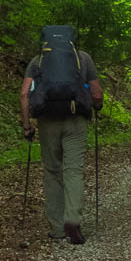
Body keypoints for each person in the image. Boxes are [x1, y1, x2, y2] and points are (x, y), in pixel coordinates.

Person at [20, 25, 103, 245]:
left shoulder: (37, 61)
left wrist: (27, 125)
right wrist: (98, 107)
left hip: (47, 122)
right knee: (73, 171)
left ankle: (57, 228)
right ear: (73, 40)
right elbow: (96, 93)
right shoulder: (82, 58)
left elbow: (24, 94)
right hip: (75, 120)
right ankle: (73, 220)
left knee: (52, 171)